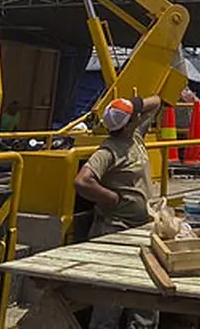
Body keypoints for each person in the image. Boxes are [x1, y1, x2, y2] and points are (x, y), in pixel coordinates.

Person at [74, 94, 163, 329]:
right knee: (110, 296)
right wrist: (111, 199)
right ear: (130, 122)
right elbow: (83, 181)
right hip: (115, 230)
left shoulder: (135, 137)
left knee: (145, 290)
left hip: (141, 229)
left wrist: (134, 104)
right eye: (135, 115)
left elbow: (158, 101)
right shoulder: (109, 150)